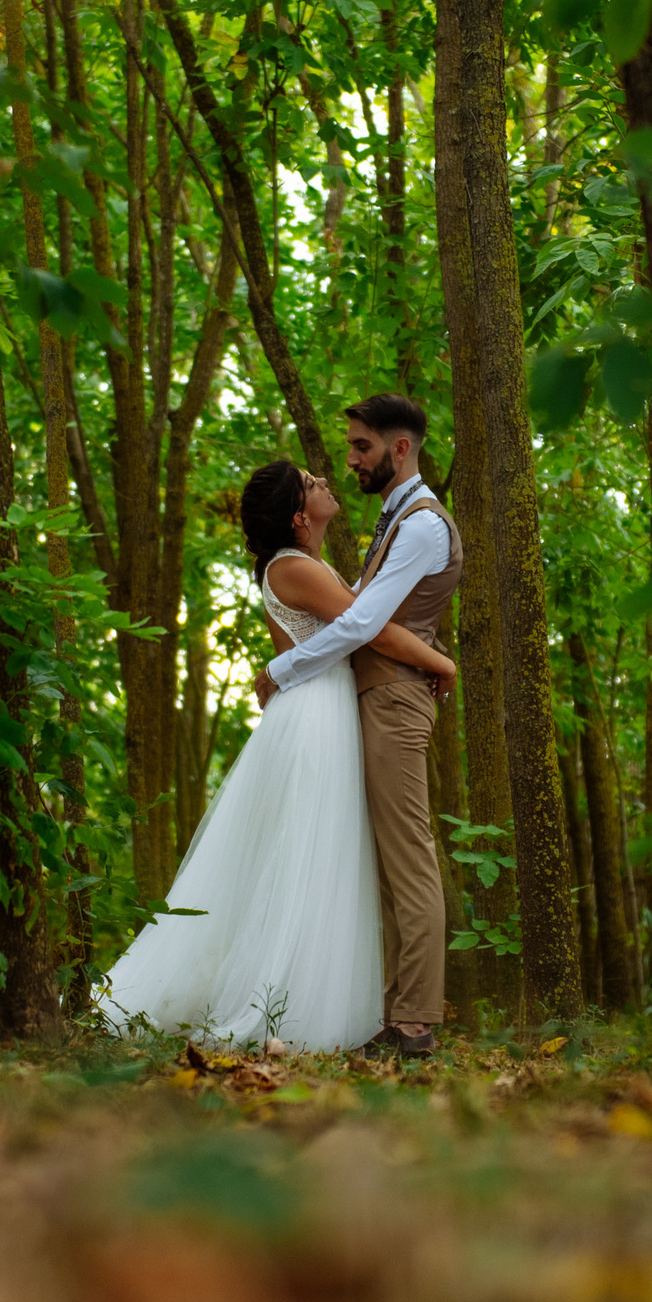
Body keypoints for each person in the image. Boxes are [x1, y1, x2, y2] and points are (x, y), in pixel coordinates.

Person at [96, 460, 456, 1052]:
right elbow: (370, 629)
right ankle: (281, 1006)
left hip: (324, 706)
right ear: (297, 515)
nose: (324, 483)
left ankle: (309, 998)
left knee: (320, 854)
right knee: (308, 854)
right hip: (315, 714)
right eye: (312, 484)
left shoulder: (303, 564)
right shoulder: (294, 567)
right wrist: (440, 660)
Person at [255, 394, 464, 1060]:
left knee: (408, 858)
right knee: (388, 867)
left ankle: (414, 1022)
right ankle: (397, 1013)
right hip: (380, 696)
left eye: (361, 447)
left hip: (397, 700)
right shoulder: (395, 518)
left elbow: (359, 624)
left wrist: (282, 671)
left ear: (400, 448)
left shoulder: (425, 524)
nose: (348, 459)